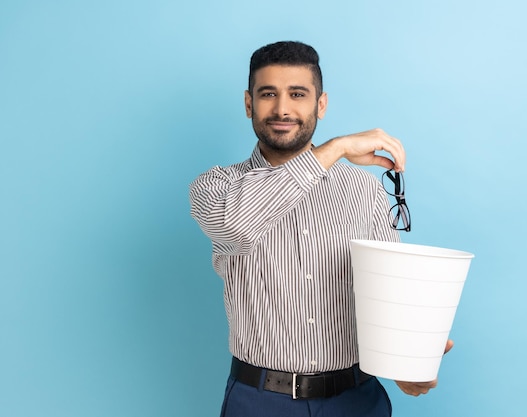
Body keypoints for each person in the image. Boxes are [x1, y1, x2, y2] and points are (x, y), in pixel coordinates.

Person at [189, 41, 452, 417]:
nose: (282, 108)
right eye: (268, 94)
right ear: (249, 103)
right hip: (261, 401)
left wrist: (406, 365)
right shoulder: (217, 188)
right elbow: (237, 227)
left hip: (358, 399)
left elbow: (386, 293)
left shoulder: (363, 189)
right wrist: (337, 147)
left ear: (321, 104)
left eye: (298, 94)